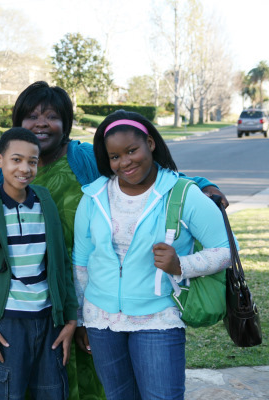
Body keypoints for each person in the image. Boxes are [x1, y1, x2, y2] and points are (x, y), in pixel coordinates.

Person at [0, 81, 228, 400]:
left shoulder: (84, 160)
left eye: (50, 115)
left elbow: (147, 171)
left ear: (64, 124)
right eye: (31, 116)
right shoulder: (2, 171)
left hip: (90, 299)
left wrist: (205, 186)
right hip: (32, 304)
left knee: (96, 384)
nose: (40, 122)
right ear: (17, 123)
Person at [72, 110, 232, 399]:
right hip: (101, 320)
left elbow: (226, 249)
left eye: (132, 150)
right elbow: (81, 264)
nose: (125, 162)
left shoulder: (183, 194)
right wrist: (83, 320)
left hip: (158, 317)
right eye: (115, 157)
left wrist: (181, 264)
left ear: (150, 143)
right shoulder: (94, 197)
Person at [0, 127, 78, 398]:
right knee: (7, 392)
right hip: (6, 323)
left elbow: (61, 264)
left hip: (49, 322)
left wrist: (70, 320)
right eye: (16, 159)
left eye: (32, 161)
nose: (25, 168)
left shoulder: (45, 201)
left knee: (53, 392)